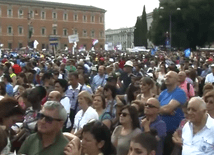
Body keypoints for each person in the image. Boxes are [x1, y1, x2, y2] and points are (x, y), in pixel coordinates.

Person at [158, 71, 187, 155]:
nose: (166, 78)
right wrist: (163, 110)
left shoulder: (180, 92)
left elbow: (168, 108)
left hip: (173, 132)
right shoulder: (163, 93)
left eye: (169, 77)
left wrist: (164, 110)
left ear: (176, 79)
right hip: (161, 131)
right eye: (166, 76)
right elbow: (157, 108)